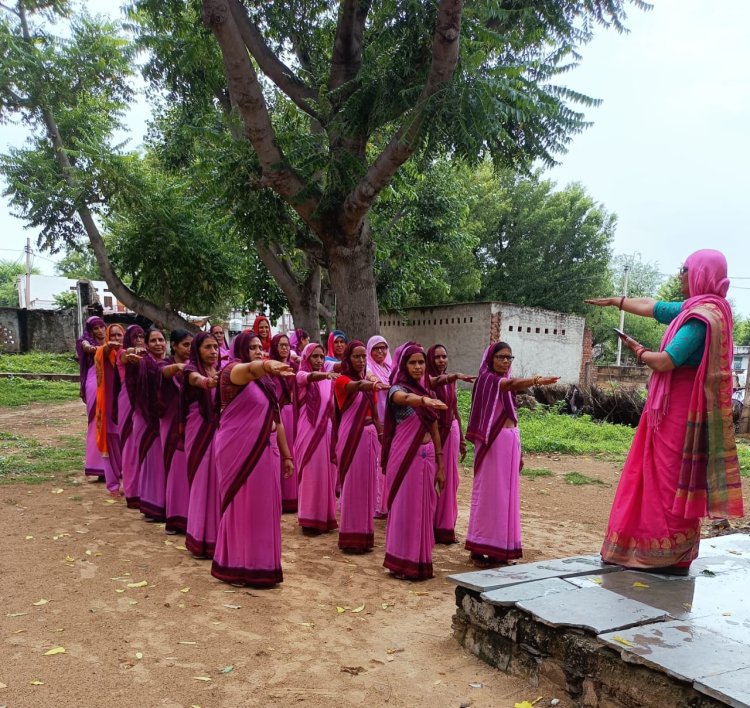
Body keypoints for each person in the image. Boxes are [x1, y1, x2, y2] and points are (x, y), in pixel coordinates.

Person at [587, 249, 743, 574]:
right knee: (653, 476)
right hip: (669, 408)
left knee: (669, 481)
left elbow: (665, 361)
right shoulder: (695, 309)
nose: (680, 276)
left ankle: (665, 554)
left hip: (680, 413)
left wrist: (637, 349)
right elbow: (652, 307)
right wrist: (617, 301)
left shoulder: (702, 320)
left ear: (701, 274)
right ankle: (656, 550)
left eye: (685, 270)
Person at [211, 332, 294, 587]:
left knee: (265, 508)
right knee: (242, 507)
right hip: (239, 449)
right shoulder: (232, 372)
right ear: (241, 349)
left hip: (267, 451)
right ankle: (236, 567)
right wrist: (267, 365)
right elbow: (249, 370)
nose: (259, 351)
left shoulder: (266, 382)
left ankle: (264, 566)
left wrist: (287, 456)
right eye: (253, 347)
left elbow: (276, 418)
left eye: (261, 347)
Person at [465, 342, 559, 567]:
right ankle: (480, 547)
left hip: (509, 444)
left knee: (506, 497)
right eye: (501, 357)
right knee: (490, 495)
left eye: (509, 358)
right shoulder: (488, 380)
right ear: (491, 359)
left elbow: (512, 416)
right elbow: (510, 384)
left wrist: (520, 452)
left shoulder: (504, 385)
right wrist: (535, 380)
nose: (505, 361)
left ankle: (500, 548)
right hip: (493, 445)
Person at [382, 344, 447, 580]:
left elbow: (434, 429)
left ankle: (421, 560)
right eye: (413, 363)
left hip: (427, 457)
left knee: (424, 508)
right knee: (404, 507)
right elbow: (403, 398)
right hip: (404, 458)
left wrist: (440, 463)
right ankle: (401, 562)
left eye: (421, 363)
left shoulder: (427, 393)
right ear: (404, 365)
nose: (418, 367)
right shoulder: (396, 389)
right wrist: (423, 401)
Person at [333, 340, 388, 553]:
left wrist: (382, 434)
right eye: (356, 356)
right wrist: (372, 383)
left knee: (367, 484)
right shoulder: (342, 381)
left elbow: (375, 412)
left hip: (370, 436)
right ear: (348, 359)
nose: (361, 360)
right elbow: (353, 386)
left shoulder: (369, 384)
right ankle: (350, 535)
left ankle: (365, 535)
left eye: (363, 356)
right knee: (352, 482)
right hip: (351, 436)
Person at [425, 344, 475, 544]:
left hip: (451, 432)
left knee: (450, 480)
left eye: (444, 356)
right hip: (435, 434)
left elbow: (454, 410)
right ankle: (431, 524)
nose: (441, 360)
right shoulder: (427, 381)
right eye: (437, 357)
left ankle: (445, 526)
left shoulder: (450, 382)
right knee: (435, 478)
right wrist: (454, 376)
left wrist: (462, 438)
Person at [182, 332, 221, 558]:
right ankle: (198, 539)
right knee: (200, 481)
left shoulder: (222, 370)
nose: (213, 351)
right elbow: (197, 380)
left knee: (216, 482)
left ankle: (217, 538)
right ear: (198, 350)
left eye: (216, 347)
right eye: (208, 347)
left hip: (219, 431)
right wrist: (209, 382)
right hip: (198, 431)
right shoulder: (190, 369)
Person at [294, 343, 339, 534]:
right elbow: (309, 377)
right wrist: (325, 374)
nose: (319, 360)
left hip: (326, 430)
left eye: (322, 357)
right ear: (307, 358)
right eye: (315, 357)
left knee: (325, 472)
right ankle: (309, 519)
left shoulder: (330, 380)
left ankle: (325, 517)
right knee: (310, 472)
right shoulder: (301, 375)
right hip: (308, 430)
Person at [131, 327, 169, 522]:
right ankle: (151, 505)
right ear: (146, 344)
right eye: (153, 341)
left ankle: (165, 504)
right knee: (150, 461)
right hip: (145, 418)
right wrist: (132, 351)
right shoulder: (142, 363)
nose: (158, 344)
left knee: (164, 463)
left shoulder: (170, 363)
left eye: (161, 340)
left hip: (164, 418)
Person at [160, 329, 193, 534]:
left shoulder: (197, 368)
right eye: (185, 345)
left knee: (191, 469)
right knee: (175, 470)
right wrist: (181, 367)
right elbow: (163, 373)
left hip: (191, 424)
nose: (189, 349)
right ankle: (174, 518)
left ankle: (191, 517)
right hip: (171, 423)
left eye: (191, 345)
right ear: (174, 345)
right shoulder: (165, 365)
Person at [93, 323, 126, 497]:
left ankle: (128, 483)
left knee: (127, 448)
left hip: (125, 407)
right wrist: (107, 347)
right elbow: (102, 352)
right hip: (107, 408)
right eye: (112, 335)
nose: (115, 339)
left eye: (119, 335)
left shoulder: (127, 355)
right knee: (110, 448)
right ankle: (113, 485)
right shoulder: (103, 353)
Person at [76, 315, 107, 480]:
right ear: (90, 330)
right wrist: (102, 349)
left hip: (110, 383)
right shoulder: (85, 341)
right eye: (96, 328)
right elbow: (87, 348)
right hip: (94, 382)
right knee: (97, 422)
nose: (100, 331)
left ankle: (113, 466)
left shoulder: (112, 340)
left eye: (102, 327)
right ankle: (97, 466)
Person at [270, 333, 299, 512]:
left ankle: (292, 496)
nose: (284, 348)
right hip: (277, 413)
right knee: (281, 449)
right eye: (280, 345)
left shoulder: (294, 366)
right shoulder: (269, 368)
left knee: (291, 448)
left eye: (287, 345)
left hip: (291, 411)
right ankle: (280, 495)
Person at [119, 325, 146, 508]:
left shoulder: (148, 354)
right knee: (129, 447)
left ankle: (144, 491)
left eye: (141, 336)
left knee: (142, 447)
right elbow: (125, 354)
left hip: (142, 400)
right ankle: (131, 490)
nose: (138, 340)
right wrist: (132, 350)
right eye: (135, 337)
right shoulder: (122, 353)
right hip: (126, 400)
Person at [366, 335, 392, 518]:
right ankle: (377, 504)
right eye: (376, 348)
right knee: (378, 463)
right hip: (377, 421)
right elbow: (371, 379)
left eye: (383, 347)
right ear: (370, 351)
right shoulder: (368, 367)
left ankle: (387, 501)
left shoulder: (389, 368)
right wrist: (378, 383)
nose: (381, 351)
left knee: (389, 463)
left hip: (392, 420)